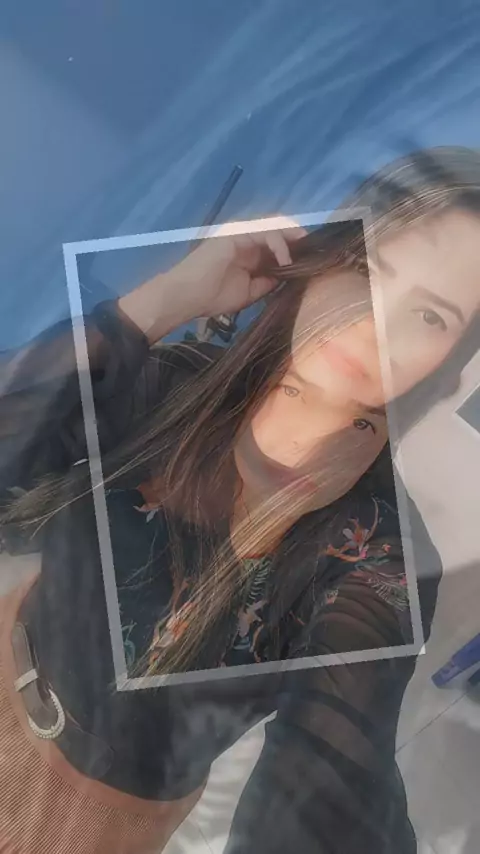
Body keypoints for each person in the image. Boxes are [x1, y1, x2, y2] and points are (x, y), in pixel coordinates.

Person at [0, 146, 479, 854]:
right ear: (327, 257)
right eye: (370, 266)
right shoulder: (170, 383)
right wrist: (164, 302)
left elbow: (329, 784)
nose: (377, 319)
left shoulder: (378, 556)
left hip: (90, 822)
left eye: (431, 316)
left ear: (453, 364)